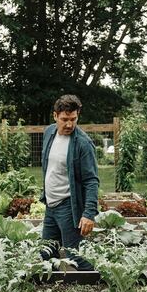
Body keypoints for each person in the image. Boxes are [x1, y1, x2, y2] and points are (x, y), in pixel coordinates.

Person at [40, 94, 99, 271]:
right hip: (51, 206)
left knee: (76, 256)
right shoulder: (49, 132)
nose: (69, 124)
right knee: (46, 253)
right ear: (55, 116)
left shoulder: (82, 143)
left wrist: (89, 213)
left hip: (68, 207)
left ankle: (101, 285)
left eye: (73, 119)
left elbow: (91, 181)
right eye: (65, 119)